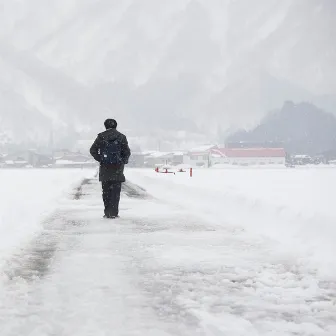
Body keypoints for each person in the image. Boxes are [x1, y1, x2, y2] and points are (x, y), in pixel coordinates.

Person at [90, 119, 131, 218]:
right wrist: (122, 161)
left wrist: (101, 159)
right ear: (116, 126)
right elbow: (127, 152)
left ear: (105, 126)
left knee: (106, 192)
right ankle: (114, 213)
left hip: (105, 169)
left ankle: (107, 212)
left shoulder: (101, 137)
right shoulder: (122, 137)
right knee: (115, 193)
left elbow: (92, 150)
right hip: (117, 169)